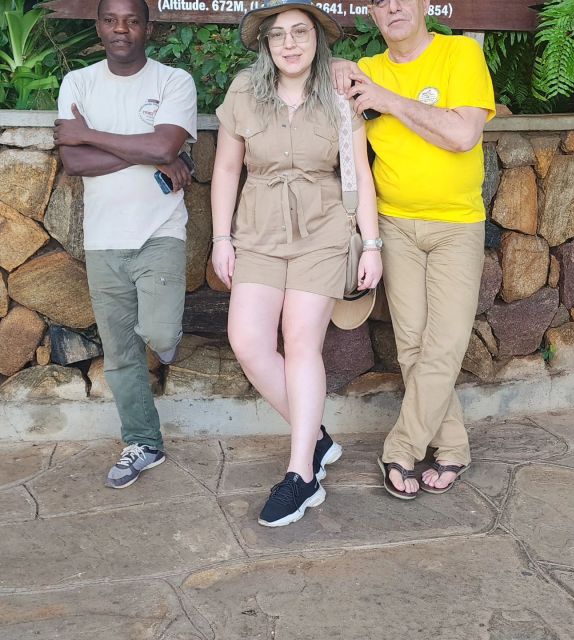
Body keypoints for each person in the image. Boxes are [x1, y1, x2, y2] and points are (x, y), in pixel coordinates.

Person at [211, 0, 382, 526]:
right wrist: (221, 238)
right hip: (258, 230)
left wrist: (372, 244)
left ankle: (301, 473)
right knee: (248, 341)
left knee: (301, 340)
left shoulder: (339, 93)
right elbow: (227, 169)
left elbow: (359, 172)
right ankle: (317, 437)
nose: (290, 43)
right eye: (279, 34)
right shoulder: (244, 90)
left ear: (316, 39)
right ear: (265, 43)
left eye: (300, 32)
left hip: (323, 230)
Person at [333, 0, 495, 498]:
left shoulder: (459, 54)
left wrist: (388, 99)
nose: (393, 7)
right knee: (413, 346)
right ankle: (454, 447)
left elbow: (463, 134)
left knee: (444, 345)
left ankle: (401, 447)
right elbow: (310, 72)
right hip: (395, 225)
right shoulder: (365, 71)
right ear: (372, 14)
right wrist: (336, 65)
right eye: (380, 2)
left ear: (425, 3)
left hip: (456, 225)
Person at [54, 0, 198, 489]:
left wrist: (92, 136)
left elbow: (164, 145)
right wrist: (149, 152)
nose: (121, 29)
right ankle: (143, 442)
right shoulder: (78, 83)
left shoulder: (173, 80)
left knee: (159, 332)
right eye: (111, 20)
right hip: (103, 240)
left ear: (147, 29)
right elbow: (74, 162)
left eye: (132, 21)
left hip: (159, 232)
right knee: (120, 355)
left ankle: (164, 339)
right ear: (98, 27)